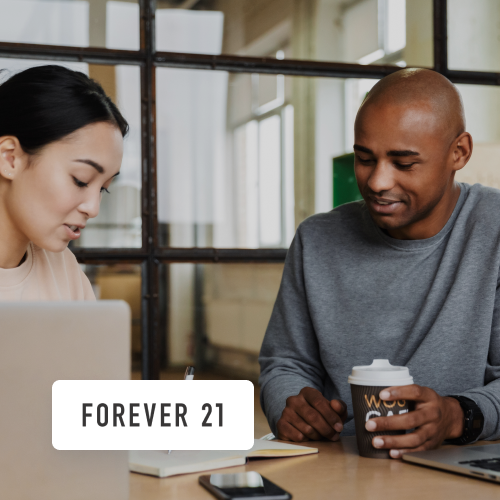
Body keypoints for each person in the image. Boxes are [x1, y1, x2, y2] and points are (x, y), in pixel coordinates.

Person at [259, 68, 500, 458]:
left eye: (403, 164)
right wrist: (289, 403)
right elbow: (284, 363)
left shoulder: (493, 230)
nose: (377, 182)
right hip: (343, 465)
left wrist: (457, 415)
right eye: (365, 159)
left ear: (459, 152)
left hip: (461, 463)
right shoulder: (316, 240)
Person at [0, 65, 128, 301]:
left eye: (103, 189)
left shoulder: (63, 269)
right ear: (10, 158)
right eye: (81, 180)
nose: (93, 209)